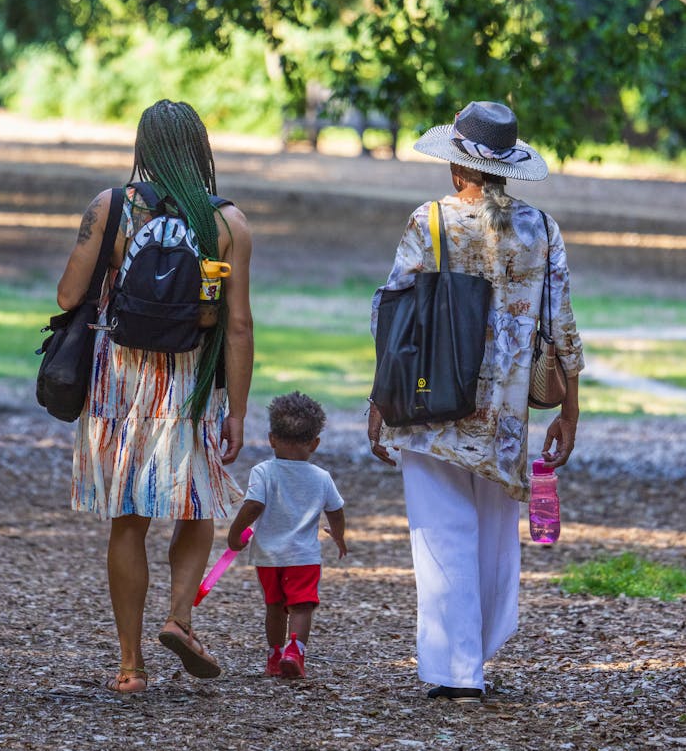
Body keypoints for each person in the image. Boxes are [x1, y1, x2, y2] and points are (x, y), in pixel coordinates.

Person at [367, 100, 584, 704]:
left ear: (458, 168)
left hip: (430, 397)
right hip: (506, 411)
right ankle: (478, 647)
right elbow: (560, 322)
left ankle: (458, 667)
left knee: (439, 531)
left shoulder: (429, 220)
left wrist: (379, 400)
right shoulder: (541, 227)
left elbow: (394, 314)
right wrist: (568, 413)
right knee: (493, 532)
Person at [57, 99, 253, 693]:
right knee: (195, 508)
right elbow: (238, 324)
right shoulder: (226, 222)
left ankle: (129, 665)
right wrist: (238, 411)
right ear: (200, 148)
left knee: (129, 519)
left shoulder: (112, 207)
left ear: (144, 146)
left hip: (120, 383)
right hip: (191, 383)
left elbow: (69, 297)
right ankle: (180, 618)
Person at [227, 391, 347, 680]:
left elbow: (253, 505)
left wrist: (235, 534)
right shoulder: (321, 477)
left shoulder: (263, 471)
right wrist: (339, 537)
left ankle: (274, 656)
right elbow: (336, 510)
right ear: (314, 443)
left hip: (268, 555)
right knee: (301, 606)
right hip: (303, 556)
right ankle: (295, 651)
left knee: (274, 606)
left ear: (272, 439)